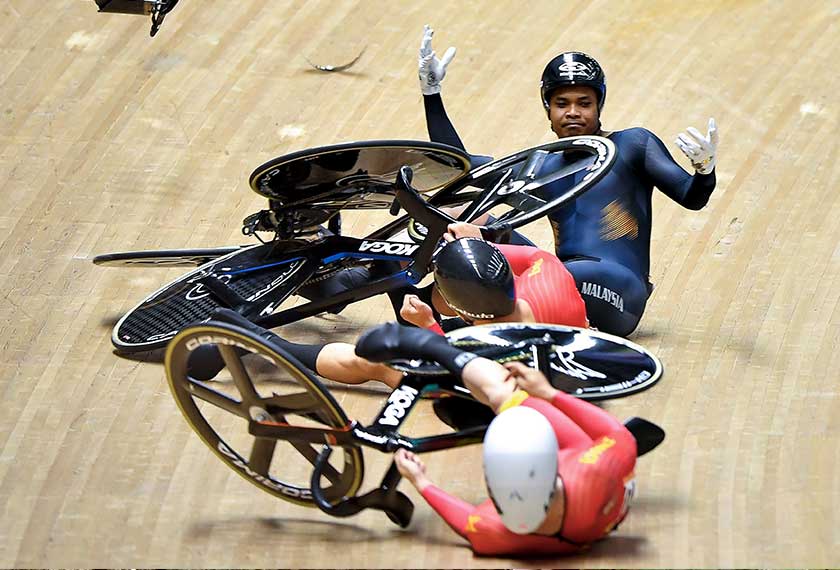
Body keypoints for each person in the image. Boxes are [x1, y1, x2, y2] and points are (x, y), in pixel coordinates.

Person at [417, 25, 720, 336]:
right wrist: (431, 94)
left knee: (544, 274)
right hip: (557, 280)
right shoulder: (543, 165)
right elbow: (462, 168)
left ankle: (480, 318)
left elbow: (692, 197)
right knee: (458, 217)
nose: (573, 112)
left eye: (584, 103)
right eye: (562, 104)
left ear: (599, 106)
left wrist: (704, 171)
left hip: (617, 290)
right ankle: (422, 303)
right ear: (548, 110)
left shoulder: (633, 145)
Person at [353, 321, 639, 556]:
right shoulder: (598, 466)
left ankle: (432, 346)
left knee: (505, 392)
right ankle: (438, 352)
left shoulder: (498, 532)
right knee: (508, 394)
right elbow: (618, 434)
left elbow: (466, 525)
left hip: (581, 491)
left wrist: (422, 483)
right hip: (584, 465)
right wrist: (549, 393)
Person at [188, 234, 588, 389]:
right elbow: (522, 254)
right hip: (554, 358)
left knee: (379, 363)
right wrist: (473, 243)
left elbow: (446, 364)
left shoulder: (482, 347)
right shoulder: (545, 270)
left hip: (502, 387)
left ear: (467, 316)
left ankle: (263, 343)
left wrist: (427, 323)